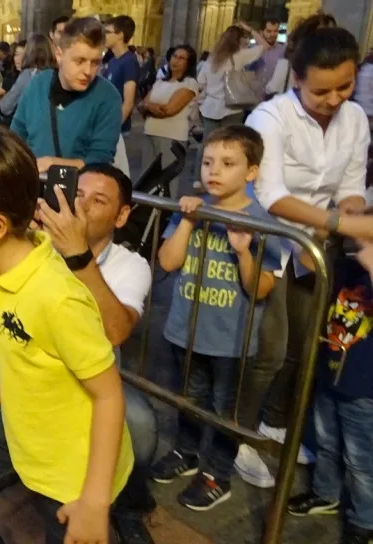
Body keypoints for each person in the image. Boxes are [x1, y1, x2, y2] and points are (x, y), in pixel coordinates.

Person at [0, 129, 132, 544]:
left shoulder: (55, 296)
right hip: (24, 432)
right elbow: (27, 346)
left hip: (70, 467)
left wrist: (92, 502)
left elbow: (109, 395)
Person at [237, 26, 373, 489]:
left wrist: (347, 213)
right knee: (267, 351)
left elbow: (351, 186)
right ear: (296, 77)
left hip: (318, 247)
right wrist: (344, 224)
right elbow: (270, 193)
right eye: (321, 90)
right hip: (271, 241)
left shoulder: (355, 118)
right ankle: (238, 435)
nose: (335, 99)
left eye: (345, 86)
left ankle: (277, 425)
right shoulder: (270, 118)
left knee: (305, 345)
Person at [152, 125, 283, 511]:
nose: (215, 171)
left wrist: (244, 252)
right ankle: (187, 452)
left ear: (252, 172)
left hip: (230, 339)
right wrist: (189, 221)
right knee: (188, 397)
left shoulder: (260, 221)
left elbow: (261, 288)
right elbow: (167, 261)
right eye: (209, 162)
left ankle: (217, 473)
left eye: (228, 163)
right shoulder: (192, 210)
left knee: (225, 408)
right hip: (186, 330)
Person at [287, 239, 373, 544]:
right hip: (331, 372)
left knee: (360, 460)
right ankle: (325, 493)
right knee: (325, 441)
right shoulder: (348, 265)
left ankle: (364, 521)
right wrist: (327, 230)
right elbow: (308, 263)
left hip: (364, 389)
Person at [12, 17, 122, 172]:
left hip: (77, 192)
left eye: (95, 62)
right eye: (80, 61)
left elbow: (100, 159)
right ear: (59, 55)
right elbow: (16, 136)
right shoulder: (38, 84)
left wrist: (52, 163)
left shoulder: (108, 97)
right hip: (30, 187)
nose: (88, 71)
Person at [139, 44, 199, 196]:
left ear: (189, 63)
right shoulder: (160, 81)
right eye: (174, 56)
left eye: (181, 58)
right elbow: (141, 105)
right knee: (146, 178)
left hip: (172, 137)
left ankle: (165, 215)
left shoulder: (189, 84)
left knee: (167, 181)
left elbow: (169, 110)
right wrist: (151, 106)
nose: (176, 60)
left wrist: (149, 106)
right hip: (151, 132)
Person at [196, 22, 267, 137]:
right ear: (239, 40)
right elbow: (265, 46)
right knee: (229, 143)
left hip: (210, 108)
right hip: (231, 108)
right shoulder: (239, 56)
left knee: (209, 142)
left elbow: (201, 82)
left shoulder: (211, 59)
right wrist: (249, 28)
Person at [0, 34, 52, 127]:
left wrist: (1, 99)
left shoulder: (29, 74)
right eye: (16, 54)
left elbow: (6, 106)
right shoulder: (53, 73)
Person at [102, 15, 140, 135]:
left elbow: (128, 102)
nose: (103, 36)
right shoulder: (113, 61)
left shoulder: (129, 61)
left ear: (120, 35)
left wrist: (113, 130)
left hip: (116, 130)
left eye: (107, 32)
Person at [250, 17, 286, 99]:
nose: (273, 34)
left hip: (274, 100)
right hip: (253, 99)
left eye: (275, 31)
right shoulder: (252, 49)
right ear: (261, 32)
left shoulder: (283, 50)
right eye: (269, 31)